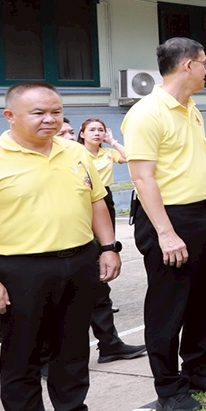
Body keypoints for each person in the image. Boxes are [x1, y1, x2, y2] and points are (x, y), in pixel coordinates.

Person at [0, 81, 123, 411]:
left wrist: (108, 247)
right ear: (10, 116)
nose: (49, 119)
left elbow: (97, 202)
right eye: (38, 112)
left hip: (79, 260)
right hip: (19, 268)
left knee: (72, 346)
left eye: (55, 111)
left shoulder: (75, 152)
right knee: (23, 355)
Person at [122, 37, 206, 411]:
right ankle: (169, 388)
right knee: (168, 306)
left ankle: (200, 370)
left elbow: (201, 167)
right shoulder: (147, 113)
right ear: (188, 65)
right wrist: (166, 232)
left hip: (202, 214)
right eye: (205, 63)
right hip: (169, 219)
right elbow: (143, 178)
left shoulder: (192, 109)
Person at [76, 119, 147, 363]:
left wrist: (113, 141)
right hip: (79, 207)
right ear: (82, 134)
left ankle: (109, 344)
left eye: (100, 129)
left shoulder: (106, 153)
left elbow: (130, 157)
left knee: (99, 279)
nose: (96, 133)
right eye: (91, 130)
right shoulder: (75, 155)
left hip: (102, 200)